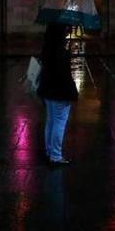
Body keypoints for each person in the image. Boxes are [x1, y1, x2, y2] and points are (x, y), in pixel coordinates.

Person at [37, 23, 78, 166]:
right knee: (59, 122)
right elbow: (65, 76)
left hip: (47, 91)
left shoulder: (46, 49)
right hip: (60, 93)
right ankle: (55, 155)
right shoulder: (61, 53)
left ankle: (49, 151)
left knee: (51, 121)